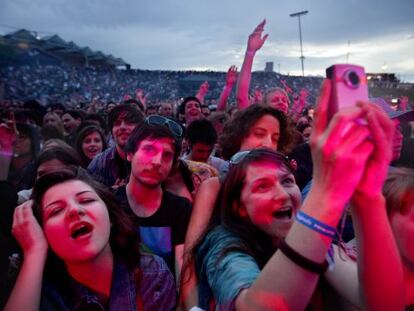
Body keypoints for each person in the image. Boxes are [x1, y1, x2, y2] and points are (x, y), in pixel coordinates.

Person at [189, 80, 404, 310]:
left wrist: (367, 196)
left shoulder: (312, 241)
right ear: (238, 207)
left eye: (287, 181)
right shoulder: (226, 246)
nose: (282, 194)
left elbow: (386, 304)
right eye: (262, 186)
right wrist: (325, 191)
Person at [5, 167, 177, 311]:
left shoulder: (152, 274)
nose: (74, 210)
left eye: (86, 200)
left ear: (110, 218)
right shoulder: (38, 292)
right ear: (43, 234)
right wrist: (34, 253)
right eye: (56, 211)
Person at [118, 116, 193, 284]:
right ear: (130, 154)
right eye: (149, 150)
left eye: (167, 155)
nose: (157, 162)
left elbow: (183, 267)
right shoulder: (110, 205)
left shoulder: (180, 210)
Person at [87, 104, 144, 188]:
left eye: (129, 123)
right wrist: (111, 193)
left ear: (140, 129)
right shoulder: (99, 163)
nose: (122, 127)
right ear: (111, 132)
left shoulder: (153, 159)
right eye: (117, 123)